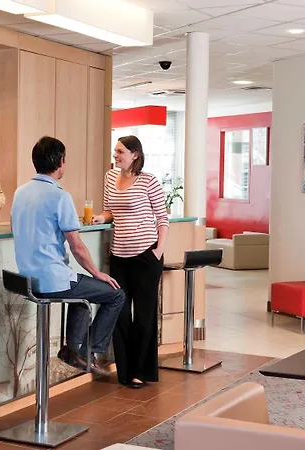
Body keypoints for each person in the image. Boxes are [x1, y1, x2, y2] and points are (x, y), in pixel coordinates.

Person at [11, 136, 126, 377]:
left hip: (25, 280)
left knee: (81, 291)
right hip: (51, 281)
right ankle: (86, 352)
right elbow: (77, 247)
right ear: (61, 162)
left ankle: (73, 350)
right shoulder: (60, 196)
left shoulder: (20, 193)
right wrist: (98, 273)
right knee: (115, 295)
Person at [92, 135, 169, 388]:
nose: (115, 156)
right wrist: (101, 218)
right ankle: (124, 371)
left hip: (146, 256)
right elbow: (110, 210)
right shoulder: (110, 178)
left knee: (144, 316)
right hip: (119, 257)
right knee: (121, 314)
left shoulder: (149, 181)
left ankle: (141, 372)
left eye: (120, 152)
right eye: (115, 151)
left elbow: (162, 219)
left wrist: (158, 251)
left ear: (135, 154)